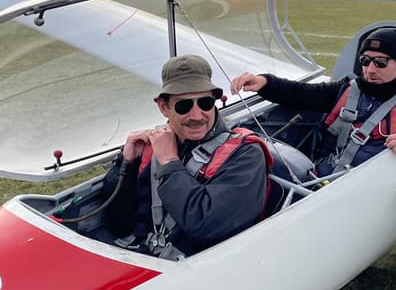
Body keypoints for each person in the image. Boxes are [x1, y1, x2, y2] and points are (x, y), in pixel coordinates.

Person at [230, 27, 396, 175]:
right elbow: (300, 93)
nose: (370, 69)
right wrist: (264, 82)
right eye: (365, 61)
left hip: (365, 190)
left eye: (381, 62)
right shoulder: (345, 90)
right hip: (317, 180)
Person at [103, 55, 272, 259]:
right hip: (144, 258)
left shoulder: (245, 155)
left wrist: (170, 163)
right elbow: (118, 224)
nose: (196, 115)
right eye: (184, 106)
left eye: (205, 103)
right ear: (164, 107)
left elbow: (206, 223)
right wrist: (127, 164)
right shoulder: (156, 146)